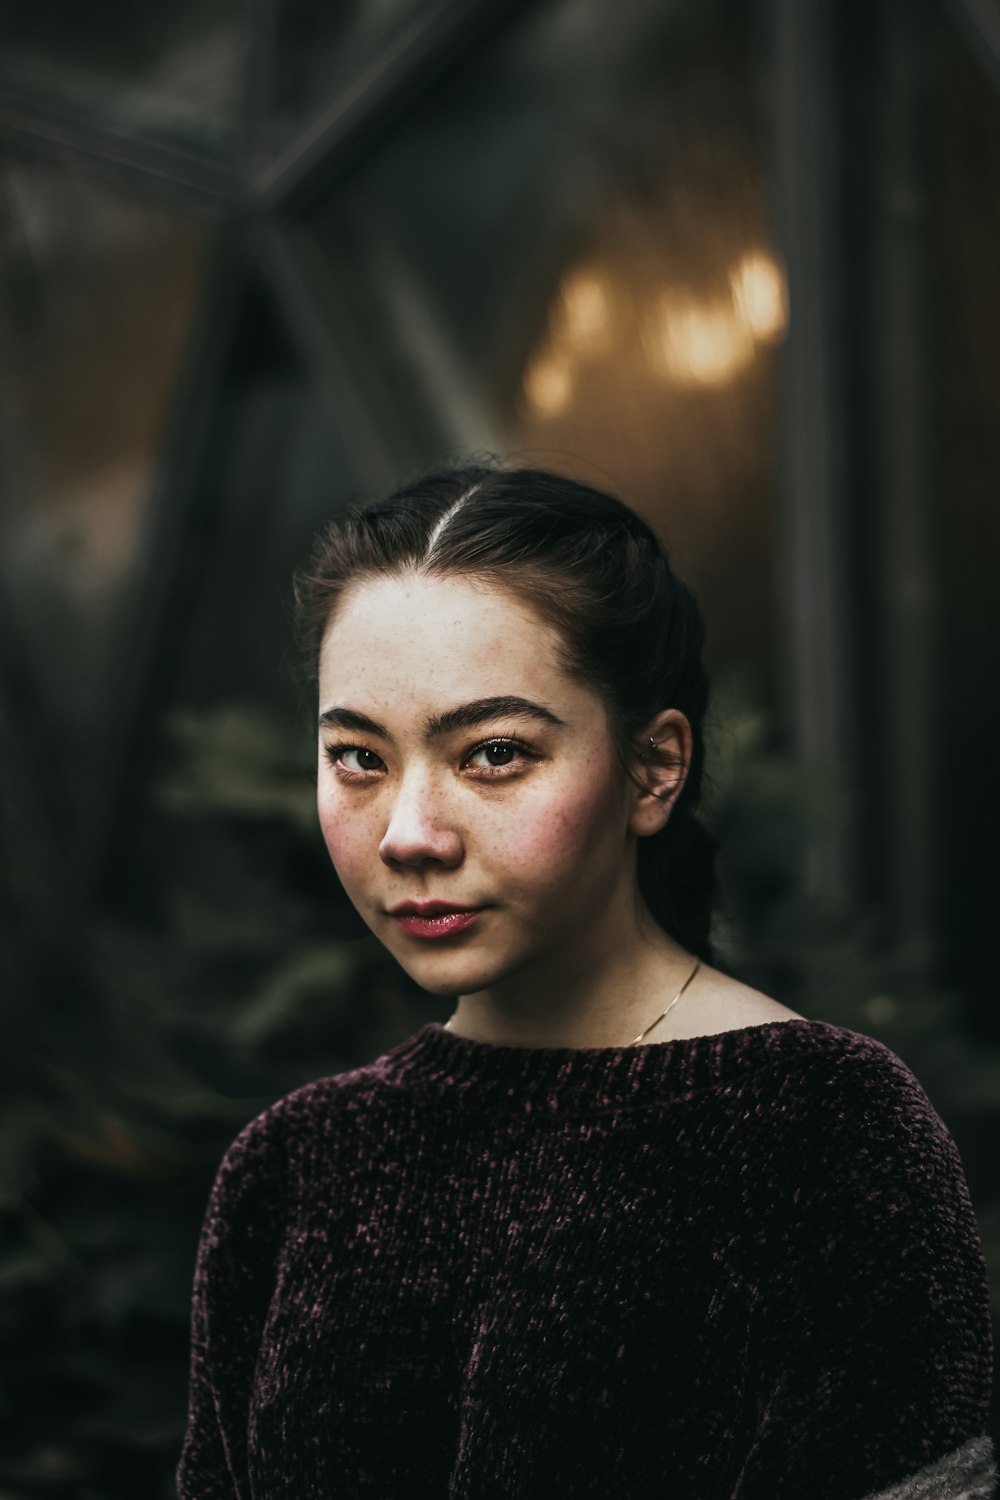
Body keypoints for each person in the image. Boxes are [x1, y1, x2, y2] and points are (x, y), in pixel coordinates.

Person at [176, 462, 996, 1499]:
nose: (409, 833)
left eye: (495, 753)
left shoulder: (820, 1129)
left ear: (654, 768)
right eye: (356, 758)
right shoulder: (290, 1167)